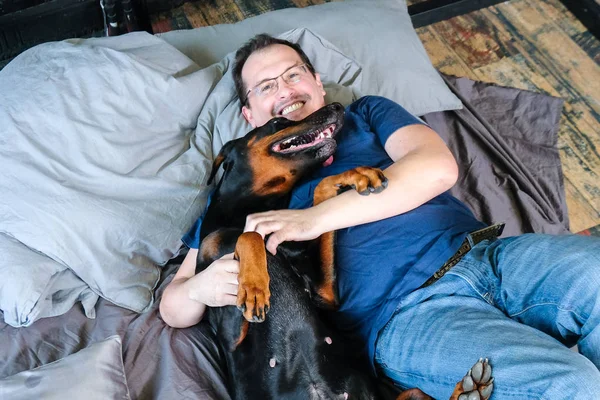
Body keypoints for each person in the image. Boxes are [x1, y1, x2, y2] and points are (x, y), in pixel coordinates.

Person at [160, 34, 600, 399]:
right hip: (406, 316)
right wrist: (201, 285)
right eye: (266, 86)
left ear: (317, 83)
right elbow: (174, 306)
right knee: (572, 383)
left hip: (487, 255)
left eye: (293, 74)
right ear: (248, 114)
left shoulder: (366, 113)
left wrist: (315, 219)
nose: (285, 90)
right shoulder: (243, 188)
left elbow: (436, 168)